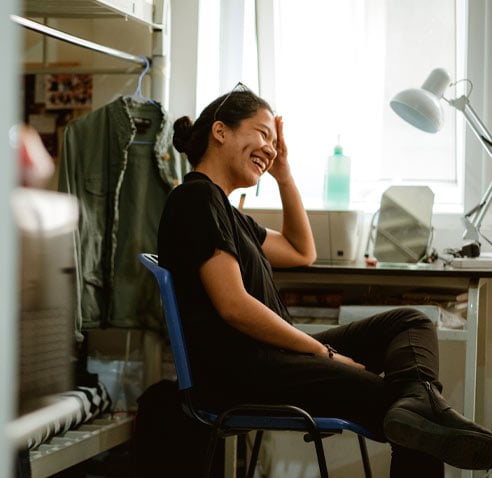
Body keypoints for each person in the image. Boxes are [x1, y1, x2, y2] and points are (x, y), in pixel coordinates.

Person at [157, 84, 492, 476]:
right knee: (408, 413)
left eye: (274, 140)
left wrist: (284, 174)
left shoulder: (228, 213)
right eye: (263, 133)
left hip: (268, 360)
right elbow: (233, 306)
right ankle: (422, 407)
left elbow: (302, 252)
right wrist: (322, 352)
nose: (270, 147)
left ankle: (421, 402)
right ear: (220, 131)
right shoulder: (196, 200)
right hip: (242, 372)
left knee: (411, 323)